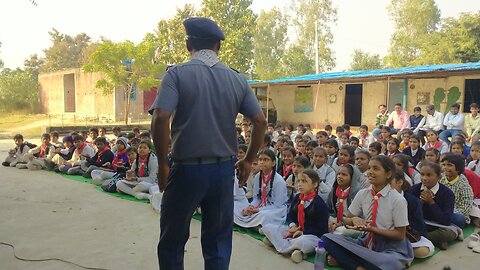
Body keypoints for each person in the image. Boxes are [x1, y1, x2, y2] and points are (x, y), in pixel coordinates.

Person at [150, 17, 266, 270]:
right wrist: (248, 160)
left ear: (188, 43)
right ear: (218, 46)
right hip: (223, 171)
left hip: (187, 170)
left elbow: (161, 117)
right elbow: (259, 121)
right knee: (217, 242)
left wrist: (161, 164)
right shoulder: (237, 79)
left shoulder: (176, 74)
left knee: (172, 239)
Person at [321, 155, 414, 270]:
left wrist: (373, 229)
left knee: (390, 263)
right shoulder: (363, 194)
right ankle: (358, 267)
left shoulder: (398, 200)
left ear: (388, 174)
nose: (370, 172)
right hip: (364, 243)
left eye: (376, 168)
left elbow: (400, 235)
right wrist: (353, 220)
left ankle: (345, 260)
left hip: (390, 248)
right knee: (326, 238)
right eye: (369, 168)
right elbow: (345, 219)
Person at [262, 169, 329, 263]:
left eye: (304, 181)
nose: (300, 184)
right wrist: (292, 226)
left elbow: (322, 230)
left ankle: (283, 245)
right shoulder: (297, 198)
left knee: (303, 242)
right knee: (269, 227)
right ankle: (295, 251)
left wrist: (302, 232)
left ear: (315, 184)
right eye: (299, 181)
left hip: (309, 235)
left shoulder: (320, 204)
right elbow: (290, 216)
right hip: (294, 231)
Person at [234, 149, 288, 230]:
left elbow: (278, 205)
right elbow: (256, 198)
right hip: (260, 208)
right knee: (236, 207)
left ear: (273, 163)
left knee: (264, 216)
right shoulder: (258, 176)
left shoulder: (279, 181)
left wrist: (258, 210)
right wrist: (250, 207)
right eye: (260, 160)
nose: (262, 162)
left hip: (275, 210)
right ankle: (257, 226)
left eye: (266, 160)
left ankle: (257, 226)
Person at [412, 161, 458, 250]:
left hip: (437, 226)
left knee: (448, 233)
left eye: (429, 175)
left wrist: (431, 202)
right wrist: (421, 202)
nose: (424, 178)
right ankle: (435, 240)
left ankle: (420, 239)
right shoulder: (414, 189)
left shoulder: (447, 193)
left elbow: (445, 221)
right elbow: (411, 215)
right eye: (422, 174)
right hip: (419, 224)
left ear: (438, 177)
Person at [440, 153, 474, 228]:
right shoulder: (441, 180)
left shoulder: (464, 186)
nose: (445, 167)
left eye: (449, 165)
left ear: (458, 169)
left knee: (459, 219)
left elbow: (465, 209)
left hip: (454, 214)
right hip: (440, 211)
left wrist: (446, 212)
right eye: (444, 165)